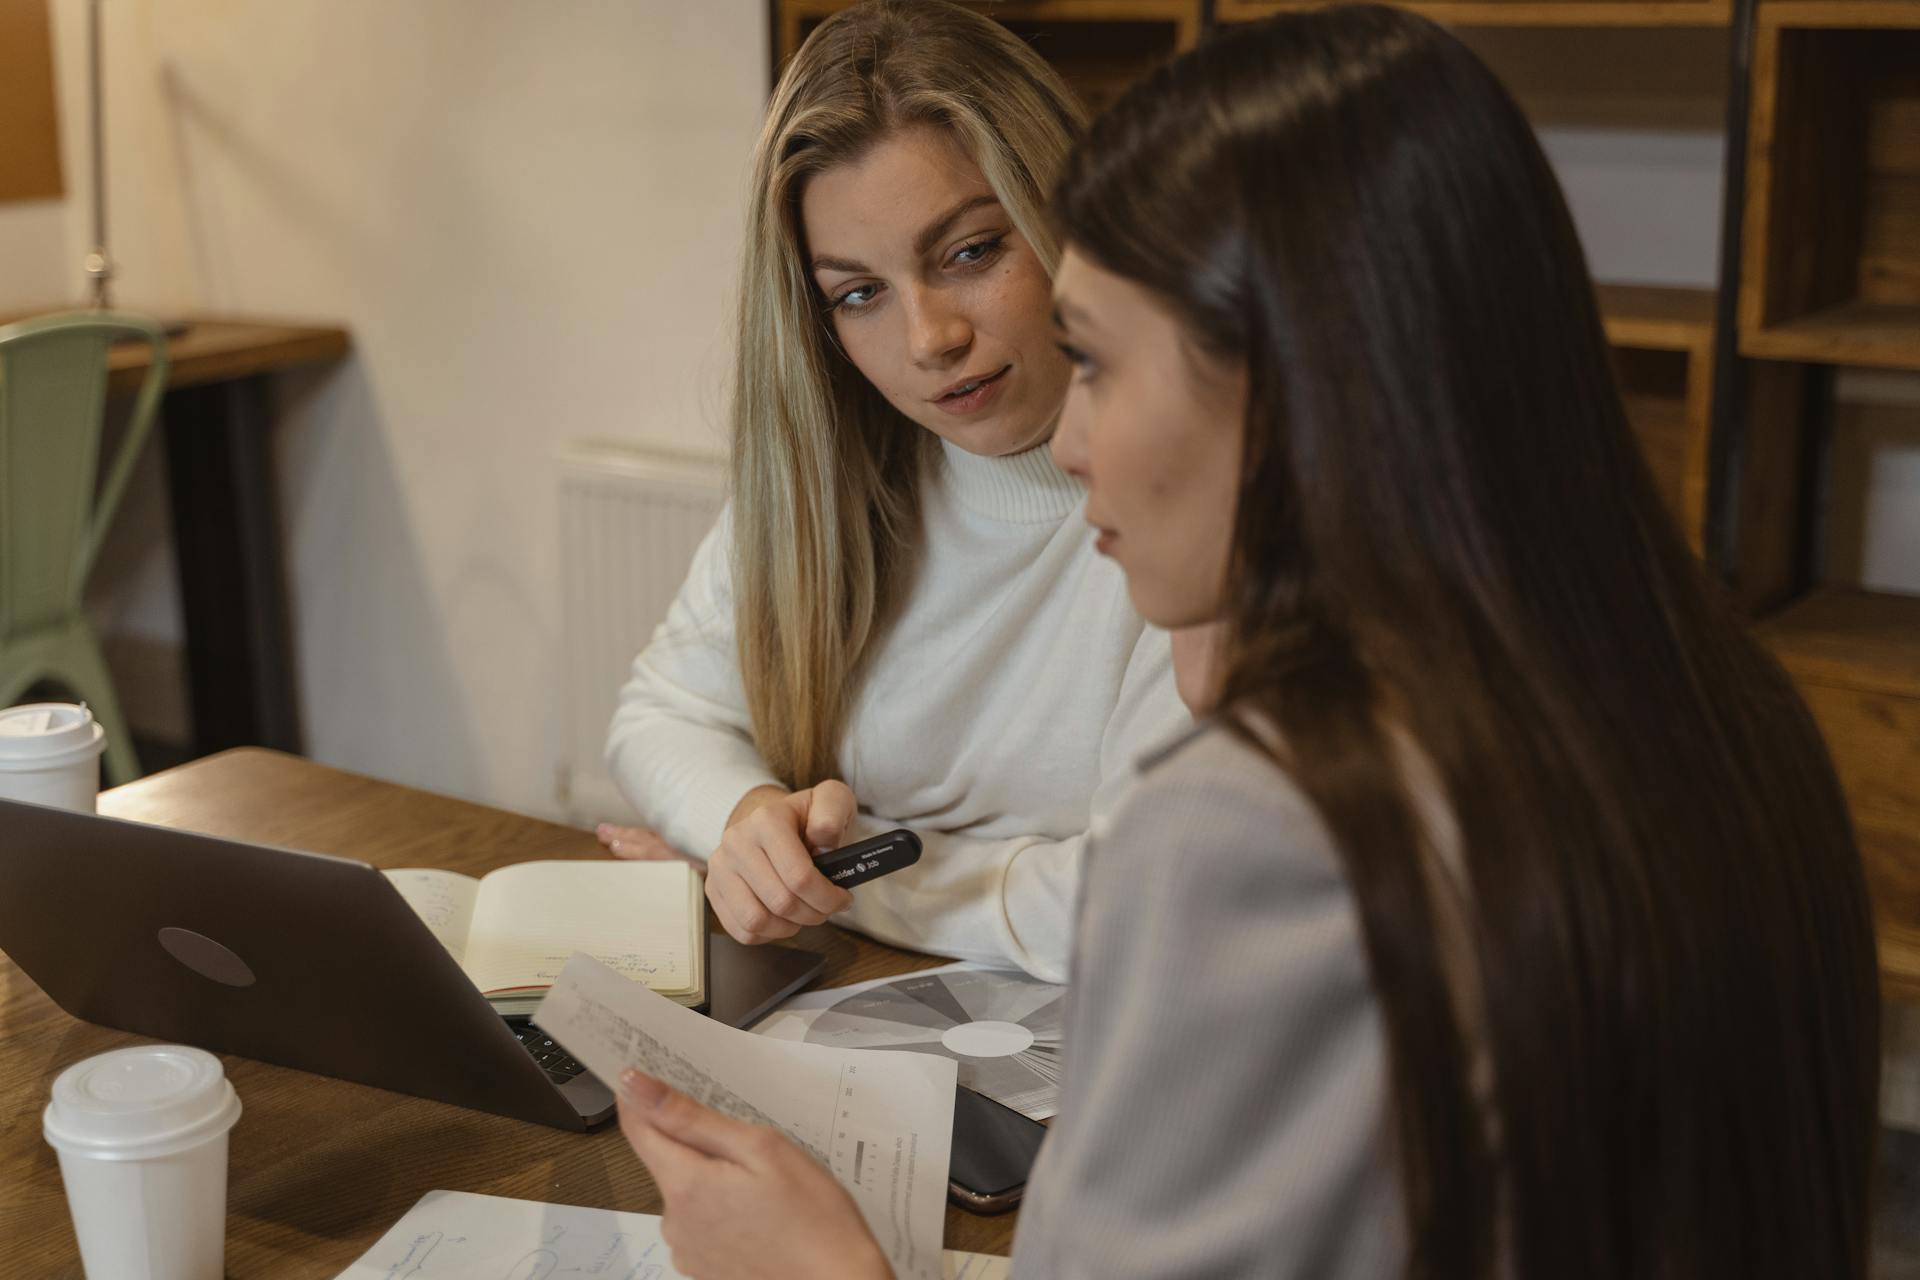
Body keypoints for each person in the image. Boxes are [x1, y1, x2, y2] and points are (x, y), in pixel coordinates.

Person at [609, 7, 1882, 1278]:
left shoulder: (1264, 820)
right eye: (863, 293)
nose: (1068, 442)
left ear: (1291, 377)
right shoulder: (1729, 704)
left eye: (1098, 361)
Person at [598, 0, 1184, 982]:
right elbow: (660, 713)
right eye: (858, 294)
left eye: (970, 251)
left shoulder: (1194, 506)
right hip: (872, 991)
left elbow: (1142, 901)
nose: (929, 338)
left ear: (1071, 212)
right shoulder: (836, 470)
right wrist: (744, 824)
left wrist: (843, 876)